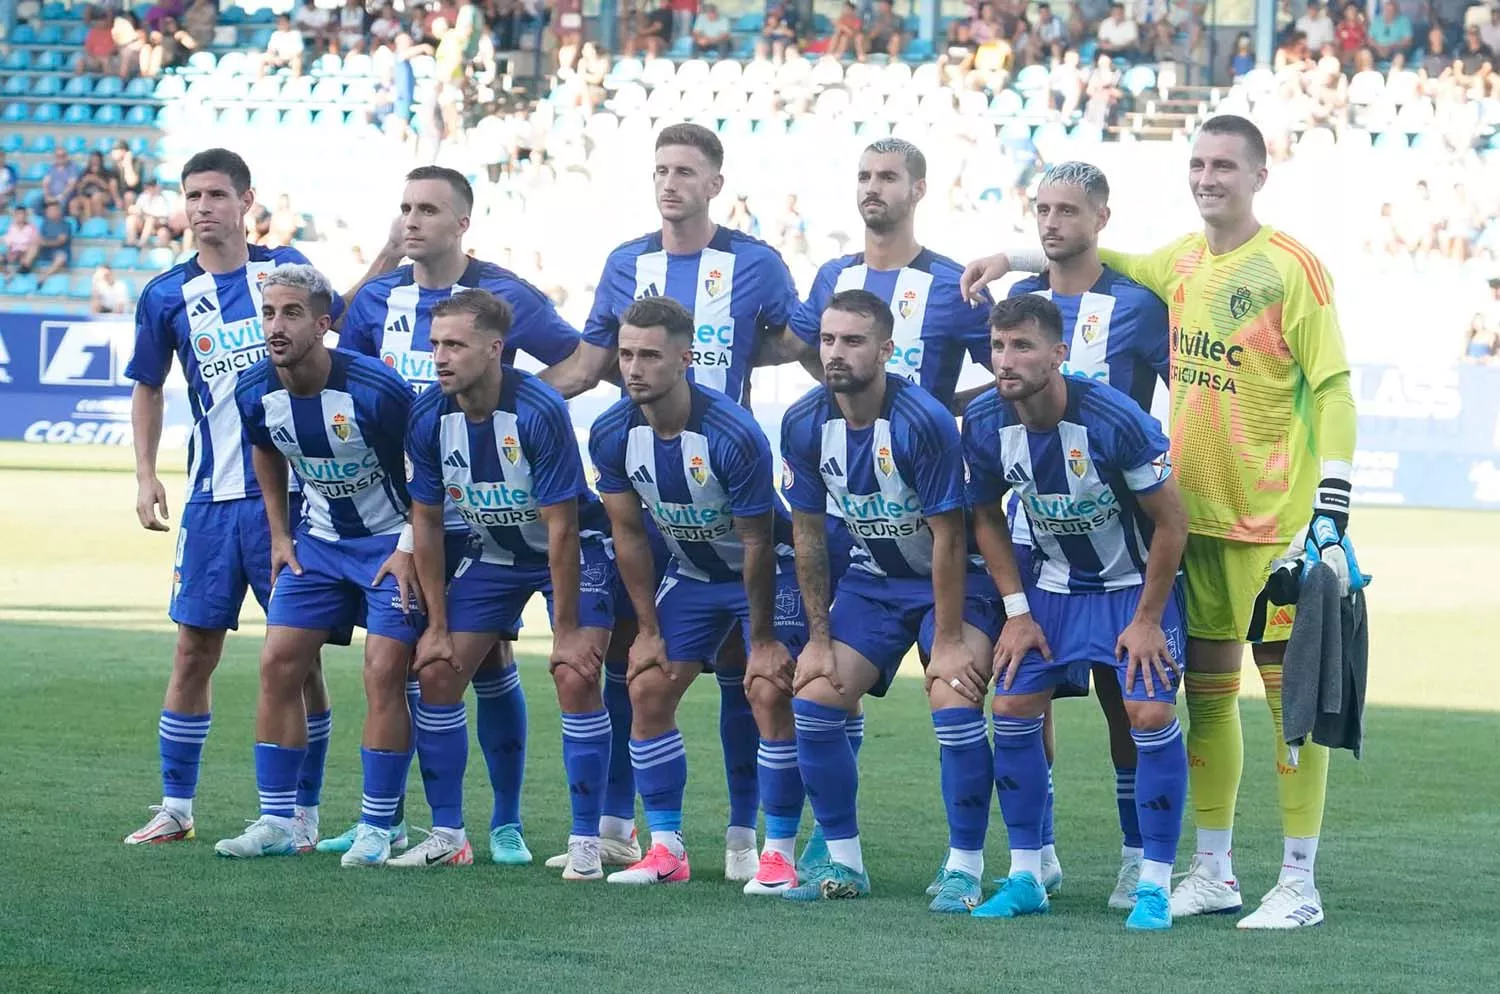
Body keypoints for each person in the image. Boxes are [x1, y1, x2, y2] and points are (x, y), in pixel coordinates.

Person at [960, 114, 1362, 929]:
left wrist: (1334, 500)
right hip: (1194, 527)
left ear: (1259, 174)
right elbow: (1090, 257)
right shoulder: (1176, 261)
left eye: (1225, 165)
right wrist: (1014, 255)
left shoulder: (1293, 269)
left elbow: (1334, 386)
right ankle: (1213, 871)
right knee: (1207, 703)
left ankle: (1299, 881)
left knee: (1291, 703)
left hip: (1277, 527)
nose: (1209, 177)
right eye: (1199, 164)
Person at [541, 123, 801, 879]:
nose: (670, 182)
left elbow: (794, 340)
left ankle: (756, 841)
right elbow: (590, 362)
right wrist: (501, 397)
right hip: (670, 522)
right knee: (641, 668)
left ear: (714, 182)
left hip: (738, 495)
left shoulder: (755, 263)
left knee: (750, 679)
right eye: (660, 169)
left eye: (686, 170)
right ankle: (655, 841)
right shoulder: (625, 264)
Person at [122, 148, 400, 848]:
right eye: (192, 195)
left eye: (216, 194)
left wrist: (388, 256)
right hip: (212, 500)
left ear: (247, 202)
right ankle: (176, 806)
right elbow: (148, 385)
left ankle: (298, 815)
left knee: (297, 657)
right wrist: (144, 472)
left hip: (294, 500)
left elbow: (334, 316)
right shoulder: (164, 296)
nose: (202, 207)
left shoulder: (282, 272)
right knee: (193, 650)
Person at [329, 164, 583, 862]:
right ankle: (399, 821)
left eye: (427, 209)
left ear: (462, 221)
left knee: (496, 660)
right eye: (404, 207)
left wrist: (507, 412)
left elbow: (582, 358)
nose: (411, 220)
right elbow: (339, 382)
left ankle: (508, 823)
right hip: (414, 509)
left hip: (500, 507)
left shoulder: (504, 295)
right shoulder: (380, 298)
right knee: (422, 663)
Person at [962, 293, 1189, 930]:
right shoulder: (983, 422)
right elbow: (984, 514)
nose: (1006, 360)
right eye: (998, 346)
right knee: (1009, 706)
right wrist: (1015, 610)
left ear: (1059, 354)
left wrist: (1146, 619)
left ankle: (1153, 883)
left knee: (1146, 711)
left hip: (1131, 588)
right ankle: (1029, 874)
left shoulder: (1116, 420)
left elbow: (1172, 524)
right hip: (1051, 591)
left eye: (1023, 346)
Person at [778, 289, 1002, 907]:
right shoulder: (802, 422)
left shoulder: (922, 420)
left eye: (852, 341)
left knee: (952, 698)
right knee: (816, 698)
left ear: (885, 348)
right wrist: (819, 643)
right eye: (827, 340)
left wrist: (951, 643)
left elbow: (951, 539)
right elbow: (807, 536)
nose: (836, 353)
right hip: (874, 581)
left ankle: (964, 867)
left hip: (951, 581)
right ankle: (842, 862)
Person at [587, 296, 806, 890]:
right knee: (647, 682)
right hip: (692, 574)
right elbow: (629, 534)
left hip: (767, 570)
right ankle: (666, 850)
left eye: (649, 356)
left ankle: (778, 851)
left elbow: (758, 542)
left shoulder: (733, 433)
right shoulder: (611, 433)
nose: (633, 368)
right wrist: (649, 631)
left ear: (686, 359)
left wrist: (761, 639)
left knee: (766, 687)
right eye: (626, 354)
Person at [398, 290, 617, 877]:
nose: (439, 357)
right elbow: (424, 521)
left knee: (574, 673)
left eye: (455, 345)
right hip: (493, 553)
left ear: (495, 350)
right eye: (435, 343)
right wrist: (439, 627)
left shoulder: (539, 410)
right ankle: (448, 834)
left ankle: (586, 843)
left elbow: (564, 529)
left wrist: (567, 629)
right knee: (437, 670)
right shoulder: (426, 415)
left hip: (570, 550)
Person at [1004, 161, 1171, 910]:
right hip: (1037, 540)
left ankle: (1141, 858)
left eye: (1068, 210)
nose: (1052, 222)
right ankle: (1034, 858)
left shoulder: (1137, 306)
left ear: (1102, 218)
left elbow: (1187, 391)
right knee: (1022, 698)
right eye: (1042, 208)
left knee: (1121, 704)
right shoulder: (1019, 306)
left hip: (1125, 542)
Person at [215, 264, 423, 866]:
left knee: (383, 672)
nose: (276, 326)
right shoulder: (255, 389)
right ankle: (280, 821)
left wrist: (410, 545)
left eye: (292, 313)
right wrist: (281, 535)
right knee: (278, 664)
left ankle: (380, 826)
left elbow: (427, 471)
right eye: (269, 313)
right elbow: (264, 449)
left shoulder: (377, 391)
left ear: (324, 324)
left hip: (391, 547)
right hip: (319, 545)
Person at [766, 138, 992, 413]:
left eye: (888, 177)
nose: (872, 188)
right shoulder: (833, 276)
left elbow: (1015, 370)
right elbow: (791, 347)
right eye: (864, 177)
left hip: (920, 454)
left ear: (918, 189)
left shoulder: (956, 285)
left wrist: (951, 406)